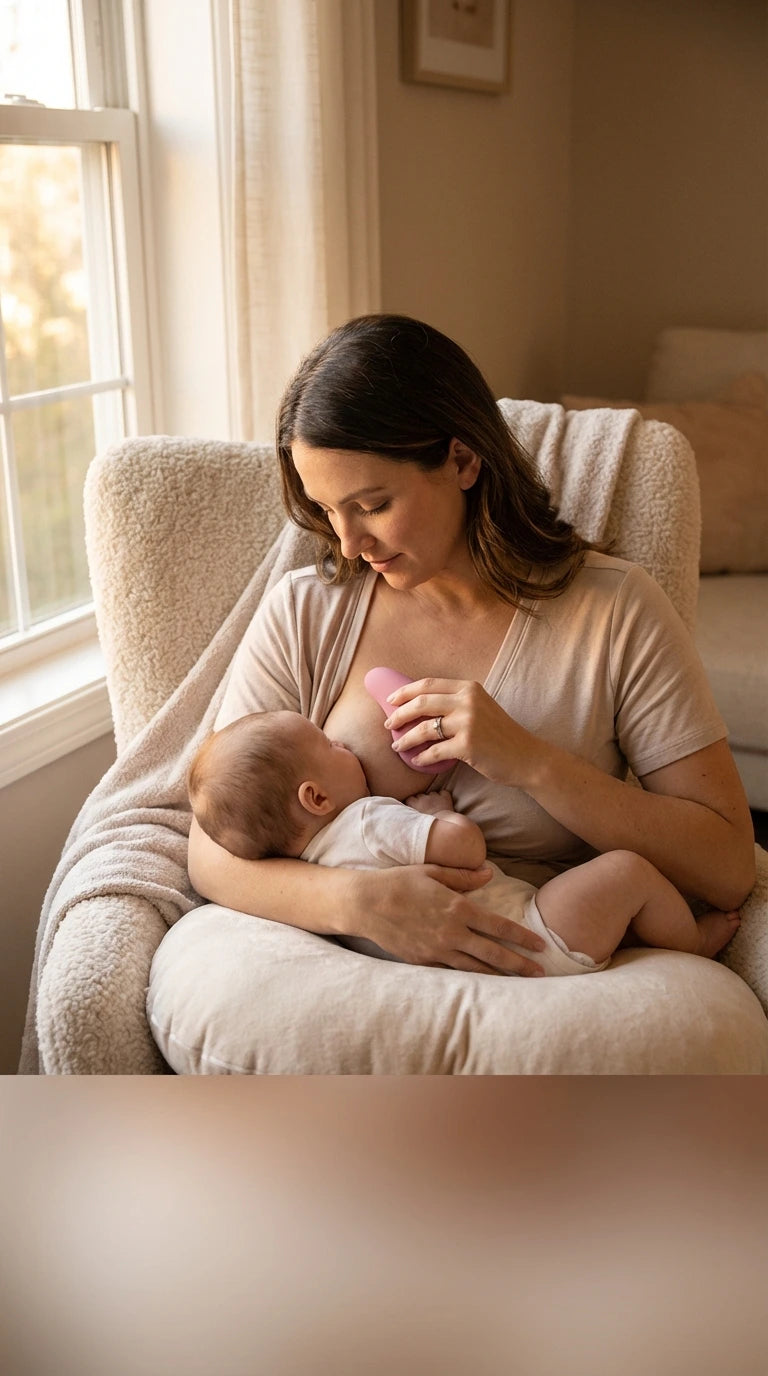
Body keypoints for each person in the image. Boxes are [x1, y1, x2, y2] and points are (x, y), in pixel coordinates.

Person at [187, 313, 755, 977]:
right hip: (357, 971)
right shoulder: (304, 613)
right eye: (326, 510)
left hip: (545, 960)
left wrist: (530, 761)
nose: (347, 544)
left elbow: (728, 868)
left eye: (370, 505)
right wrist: (358, 903)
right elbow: (210, 851)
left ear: (462, 459)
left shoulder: (615, 611)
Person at [188, 710, 742, 974]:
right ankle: (689, 946)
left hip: (474, 968)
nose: (341, 742)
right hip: (534, 937)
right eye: (328, 745)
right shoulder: (366, 821)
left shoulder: (308, 866)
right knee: (627, 871)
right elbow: (465, 851)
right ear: (315, 799)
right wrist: (438, 813)